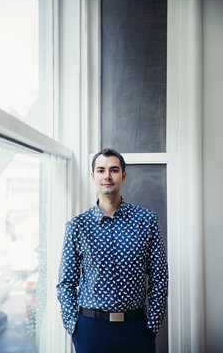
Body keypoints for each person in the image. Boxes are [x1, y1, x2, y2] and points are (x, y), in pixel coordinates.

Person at [57, 148, 168, 353]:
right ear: (93, 176)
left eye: (114, 170)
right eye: (101, 170)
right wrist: (74, 327)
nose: (107, 176)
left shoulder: (146, 221)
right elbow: (66, 282)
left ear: (123, 176)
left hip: (136, 328)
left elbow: (160, 278)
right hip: (91, 330)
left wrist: (151, 327)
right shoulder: (78, 226)